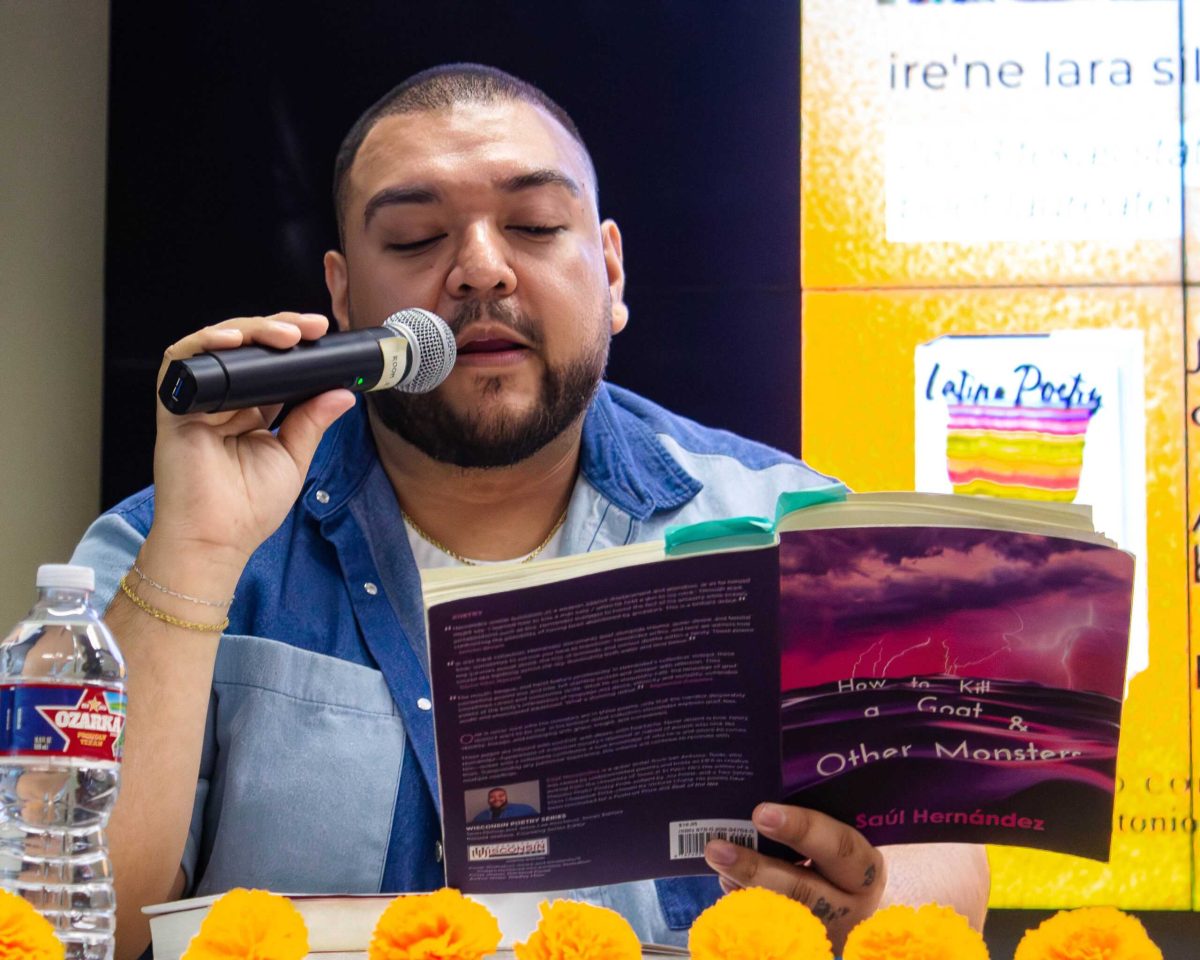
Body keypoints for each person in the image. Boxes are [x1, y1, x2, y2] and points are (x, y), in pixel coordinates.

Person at [72, 64, 989, 959]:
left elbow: (944, 874)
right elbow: (62, 924)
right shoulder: (158, 547)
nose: (479, 271)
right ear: (344, 296)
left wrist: (863, 903)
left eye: (537, 224)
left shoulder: (793, 529)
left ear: (613, 272)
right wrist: (191, 555)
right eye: (414, 238)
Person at [472, 787, 537, 822]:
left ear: (506, 797)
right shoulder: (479, 817)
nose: (497, 799)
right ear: (488, 800)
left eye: (501, 796)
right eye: (492, 797)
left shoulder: (526, 809)